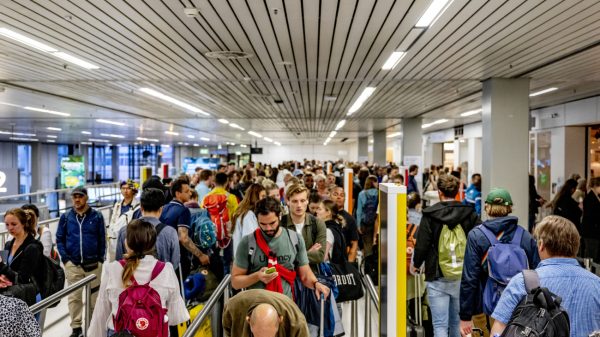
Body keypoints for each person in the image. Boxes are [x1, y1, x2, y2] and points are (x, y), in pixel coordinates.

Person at [490, 216, 600, 337]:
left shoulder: (522, 282)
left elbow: (498, 330)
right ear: (576, 247)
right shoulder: (597, 284)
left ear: (541, 245)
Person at [459, 188, 540, 337]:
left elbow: (469, 278)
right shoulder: (525, 237)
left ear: (487, 208)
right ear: (510, 208)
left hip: (482, 308)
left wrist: (465, 316)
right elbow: (536, 274)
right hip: (517, 307)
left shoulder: (476, 236)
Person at [88, 219, 189, 337]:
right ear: (152, 244)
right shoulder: (166, 269)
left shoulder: (112, 269)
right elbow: (176, 317)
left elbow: (101, 312)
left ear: (127, 243)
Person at [411, 174, 480, 337]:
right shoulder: (470, 214)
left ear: (439, 192)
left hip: (436, 275)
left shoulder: (429, 215)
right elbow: (479, 240)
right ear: (457, 192)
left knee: (440, 325)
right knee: (457, 322)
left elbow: (422, 245)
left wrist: (415, 264)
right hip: (462, 276)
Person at [231, 197, 330, 299]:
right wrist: (257, 276)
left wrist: (316, 284)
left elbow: (305, 275)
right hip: (257, 303)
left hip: (285, 303)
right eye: (263, 224)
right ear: (257, 220)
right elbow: (235, 282)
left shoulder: (295, 239)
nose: (268, 228)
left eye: (272, 223)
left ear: (280, 216)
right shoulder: (247, 243)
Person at [56, 187, 105, 337]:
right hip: (74, 265)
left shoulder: (97, 216)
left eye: (80, 196)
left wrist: (100, 259)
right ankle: (76, 328)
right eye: (74, 197)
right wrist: (66, 260)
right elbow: (59, 239)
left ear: (86, 198)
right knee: (74, 298)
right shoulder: (66, 217)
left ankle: (92, 326)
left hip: (93, 265)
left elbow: (102, 238)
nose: (77, 199)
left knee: (94, 299)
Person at [115, 188, 180, 268]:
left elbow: (119, 262)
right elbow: (175, 263)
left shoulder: (125, 230)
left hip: (130, 278)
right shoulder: (170, 232)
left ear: (141, 208)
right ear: (161, 209)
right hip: (160, 278)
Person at [160, 179, 209, 280]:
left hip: (162, 257)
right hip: (178, 259)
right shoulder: (183, 210)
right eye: (187, 191)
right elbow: (184, 238)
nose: (190, 193)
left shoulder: (163, 208)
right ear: (178, 193)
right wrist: (200, 255)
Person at [0, 208, 44, 306]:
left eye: (14, 224)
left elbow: (22, 279)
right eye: (7, 224)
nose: (10, 228)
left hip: (28, 297)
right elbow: (3, 271)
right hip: (11, 296)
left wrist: (1, 266)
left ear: (23, 223)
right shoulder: (8, 244)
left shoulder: (33, 247)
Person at [222, 289, 310, 337]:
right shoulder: (233, 310)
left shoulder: (296, 322)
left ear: (280, 320)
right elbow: (228, 331)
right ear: (248, 320)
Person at [281, 184, 327, 272]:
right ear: (288, 201)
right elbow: (280, 259)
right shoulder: (281, 224)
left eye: (302, 200)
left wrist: (293, 256)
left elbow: (319, 256)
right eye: (294, 201)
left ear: (307, 201)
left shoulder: (317, 224)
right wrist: (309, 253)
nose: (299, 205)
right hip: (287, 277)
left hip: (312, 275)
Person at [202, 172, 239, 274]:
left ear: (214, 182)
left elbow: (203, 214)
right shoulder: (231, 197)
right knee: (227, 261)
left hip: (211, 231)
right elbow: (236, 215)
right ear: (227, 182)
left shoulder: (206, 197)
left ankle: (214, 281)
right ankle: (225, 284)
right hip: (227, 232)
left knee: (213, 258)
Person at [108, 180, 140, 261]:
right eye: (123, 188)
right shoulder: (117, 205)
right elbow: (113, 221)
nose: (125, 191)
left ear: (133, 190)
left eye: (128, 188)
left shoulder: (137, 207)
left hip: (128, 239)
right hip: (114, 238)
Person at [232, 183, 266, 256]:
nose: (265, 199)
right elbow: (250, 240)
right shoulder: (248, 215)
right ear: (255, 197)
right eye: (263, 196)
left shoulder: (248, 213)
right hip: (248, 259)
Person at [329, 186, 359, 262]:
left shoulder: (350, 219)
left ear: (345, 199)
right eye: (335, 194)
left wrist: (349, 265)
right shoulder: (323, 215)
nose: (339, 197)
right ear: (329, 196)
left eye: (342, 195)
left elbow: (354, 243)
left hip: (341, 262)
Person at [315, 200, 346, 264]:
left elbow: (323, 257)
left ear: (328, 212)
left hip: (328, 270)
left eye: (319, 209)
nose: (316, 211)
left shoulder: (327, 231)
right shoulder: (336, 228)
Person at [356, 175, 379, 256]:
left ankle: (368, 264)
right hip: (377, 221)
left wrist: (358, 225)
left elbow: (359, 211)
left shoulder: (362, 194)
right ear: (373, 182)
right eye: (376, 181)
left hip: (365, 222)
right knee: (377, 242)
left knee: (367, 244)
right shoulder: (379, 193)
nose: (378, 183)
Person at [581, 177, 600, 261]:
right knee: (591, 255)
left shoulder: (595, 196)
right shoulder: (590, 198)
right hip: (591, 232)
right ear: (596, 186)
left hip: (593, 231)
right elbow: (591, 216)